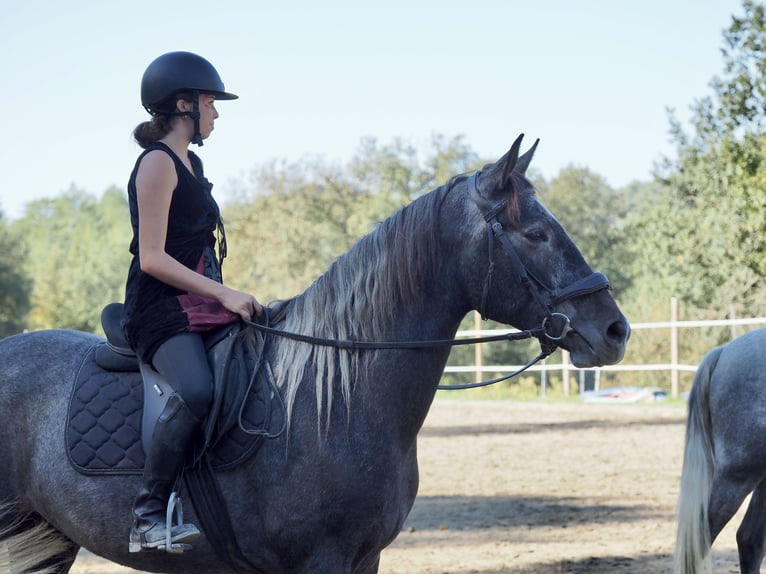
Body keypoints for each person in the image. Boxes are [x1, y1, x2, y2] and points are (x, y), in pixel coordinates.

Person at [121, 51, 263, 553]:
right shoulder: (157, 163)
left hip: (201, 305)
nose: (216, 113)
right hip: (161, 309)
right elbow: (155, 258)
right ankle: (147, 514)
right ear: (184, 105)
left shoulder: (192, 161)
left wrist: (230, 297)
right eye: (211, 103)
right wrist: (225, 293)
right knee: (197, 390)